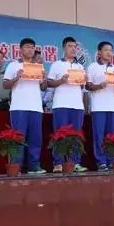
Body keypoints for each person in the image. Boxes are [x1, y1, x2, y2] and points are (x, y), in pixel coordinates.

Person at [3, 38, 47, 174]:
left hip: (36, 107)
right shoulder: (13, 65)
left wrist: (44, 79)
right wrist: (16, 78)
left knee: (35, 138)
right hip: (19, 107)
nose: (30, 50)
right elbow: (5, 85)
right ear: (20, 49)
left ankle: (34, 166)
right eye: (27, 47)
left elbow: (43, 87)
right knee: (18, 137)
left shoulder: (38, 66)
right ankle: (16, 166)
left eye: (32, 47)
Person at [47, 37, 88, 173]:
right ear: (64, 48)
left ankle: (75, 162)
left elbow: (82, 87)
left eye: (75, 47)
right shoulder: (57, 64)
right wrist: (61, 81)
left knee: (76, 135)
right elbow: (49, 83)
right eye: (70, 46)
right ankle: (58, 163)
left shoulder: (80, 67)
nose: (73, 49)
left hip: (77, 105)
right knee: (59, 134)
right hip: (61, 104)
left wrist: (84, 81)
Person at [86, 41, 114, 172]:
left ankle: (111, 160)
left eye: (111, 50)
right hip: (99, 106)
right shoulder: (93, 66)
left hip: (113, 106)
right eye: (106, 50)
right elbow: (88, 86)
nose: (109, 53)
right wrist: (100, 86)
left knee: (112, 136)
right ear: (99, 52)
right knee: (99, 135)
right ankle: (101, 161)